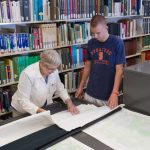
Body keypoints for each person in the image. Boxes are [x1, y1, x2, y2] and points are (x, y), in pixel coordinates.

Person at [75, 15, 126, 109]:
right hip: (90, 93)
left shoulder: (117, 43)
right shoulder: (91, 43)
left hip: (108, 95)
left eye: (98, 33)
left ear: (106, 28)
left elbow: (119, 70)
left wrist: (115, 92)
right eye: (93, 33)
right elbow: (87, 67)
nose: (95, 36)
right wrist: (80, 86)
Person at [11, 50, 79, 115]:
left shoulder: (54, 71)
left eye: (55, 69)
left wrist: (69, 102)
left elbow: (60, 89)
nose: (53, 71)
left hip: (43, 108)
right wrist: (40, 111)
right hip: (23, 111)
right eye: (51, 69)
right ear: (41, 64)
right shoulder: (28, 74)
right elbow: (23, 100)